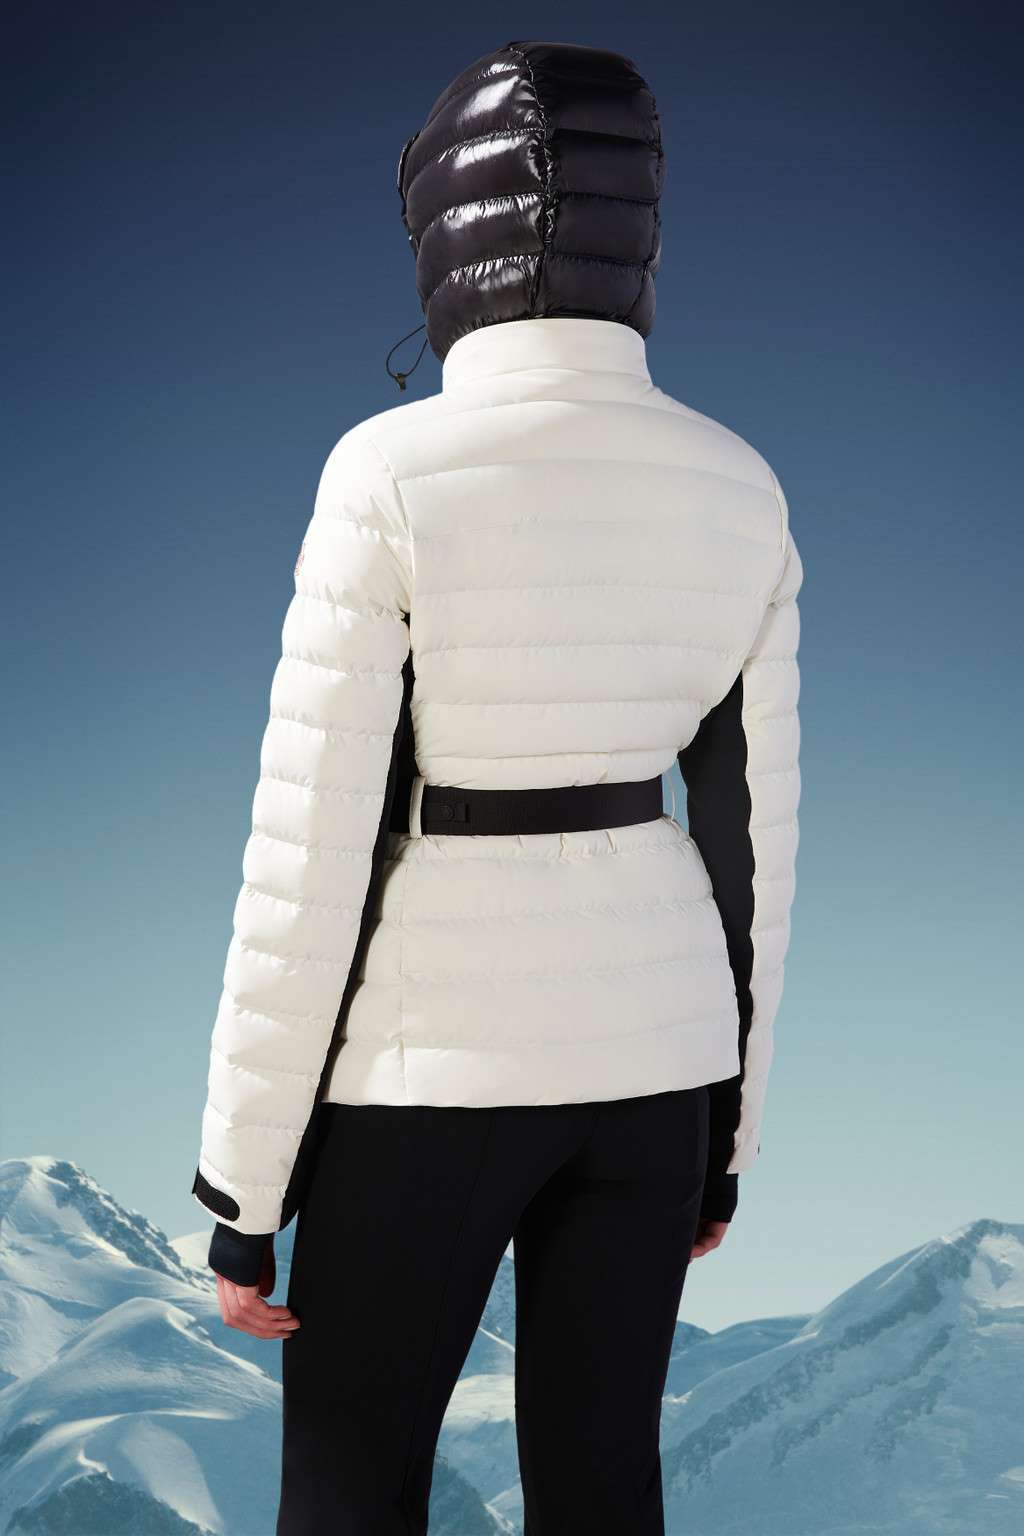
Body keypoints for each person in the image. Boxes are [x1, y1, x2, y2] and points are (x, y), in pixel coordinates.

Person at [189, 38, 803, 1536]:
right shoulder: (739, 479)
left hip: (431, 1073)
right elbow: (750, 843)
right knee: (604, 1490)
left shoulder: (389, 472)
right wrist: (724, 1138)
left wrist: (243, 1194)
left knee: (353, 1493)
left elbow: (311, 850)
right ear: (639, 232)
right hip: (656, 1071)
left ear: (443, 234)